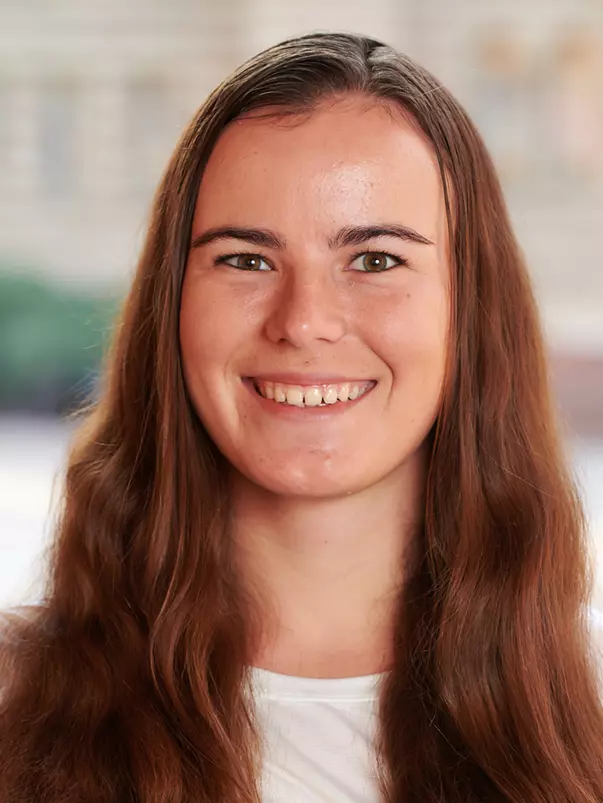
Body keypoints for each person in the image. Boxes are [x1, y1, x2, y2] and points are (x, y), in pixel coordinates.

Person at [1, 31, 602, 803]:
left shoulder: (585, 705)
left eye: (376, 259)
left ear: (470, 310)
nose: (305, 320)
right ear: (172, 306)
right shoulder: (15, 698)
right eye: (245, 259)